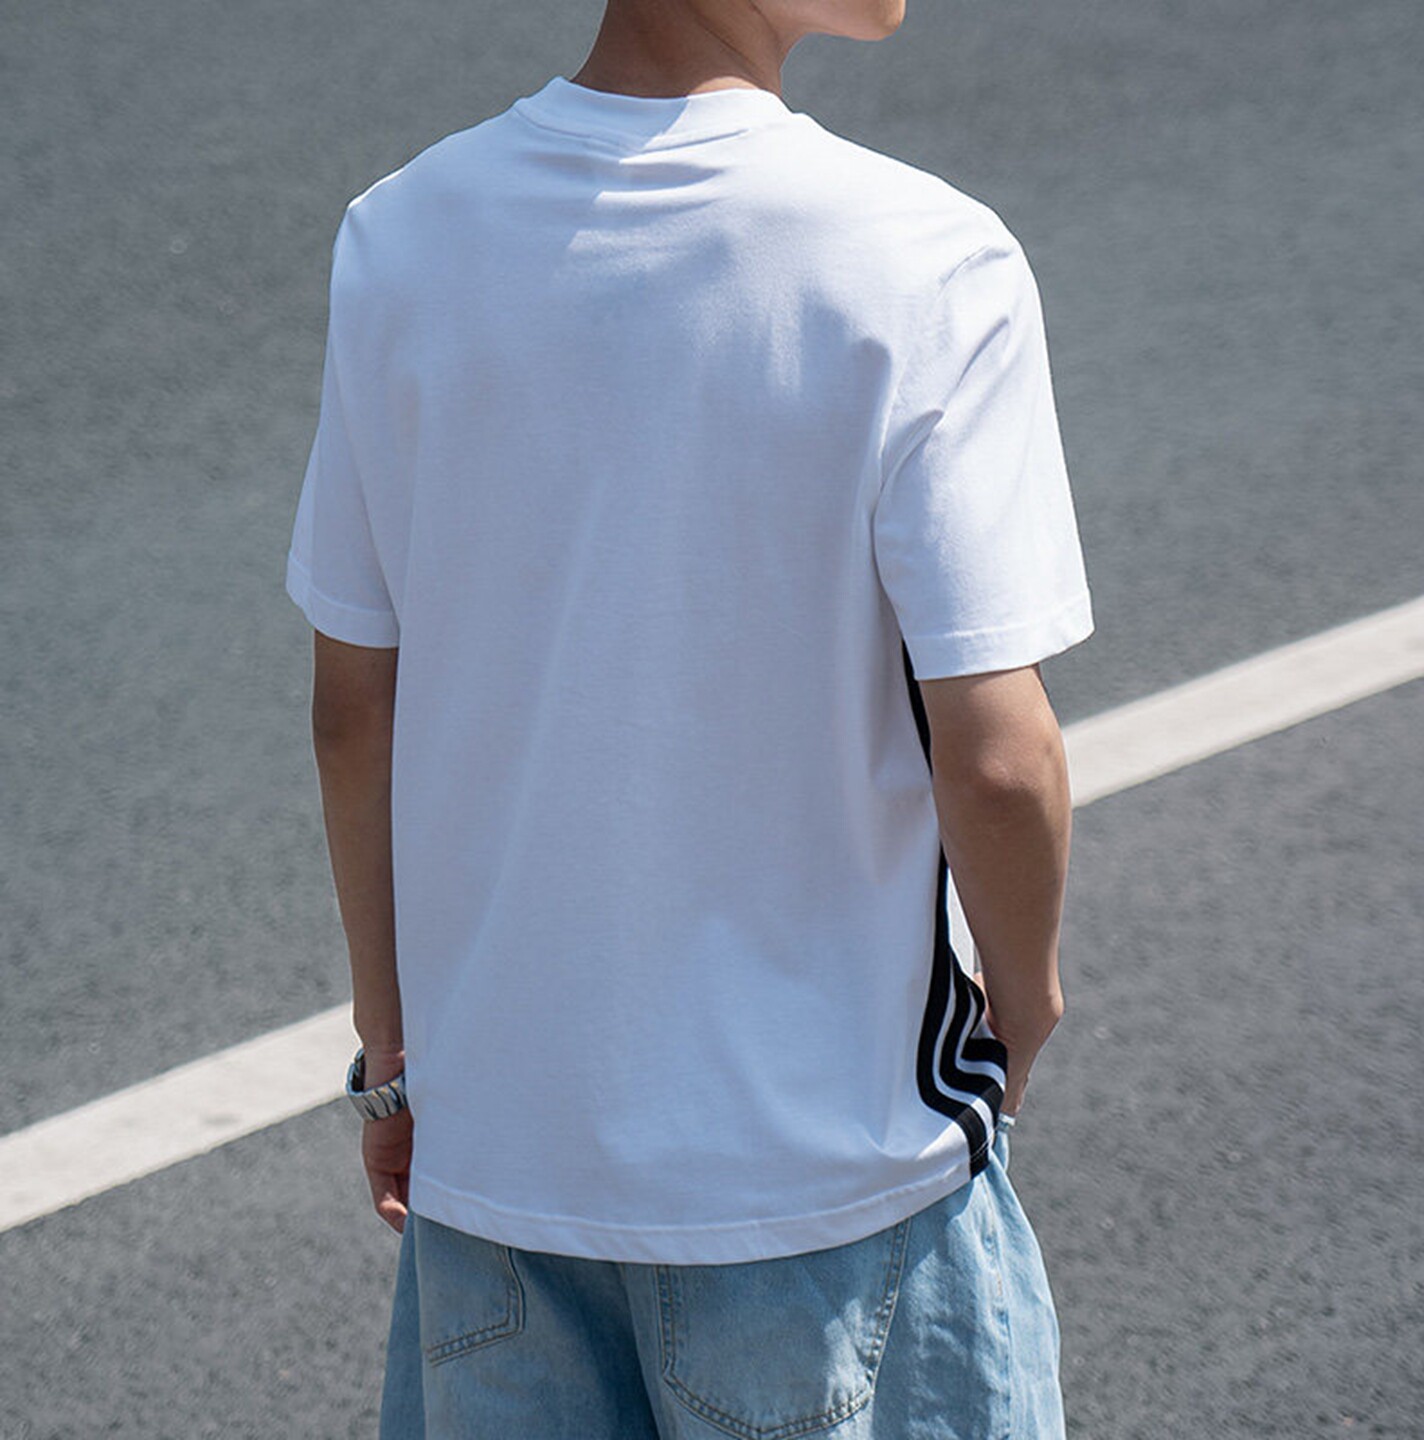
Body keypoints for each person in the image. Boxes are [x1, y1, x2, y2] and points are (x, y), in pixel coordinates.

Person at [285, 0, 1093, 1433]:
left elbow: (355, 710)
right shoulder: (925, 258)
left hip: (498, 1177)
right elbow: (998, 759)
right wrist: (1023, 1002)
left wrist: (396, 1060)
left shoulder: (401, 236)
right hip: (826, 1190)